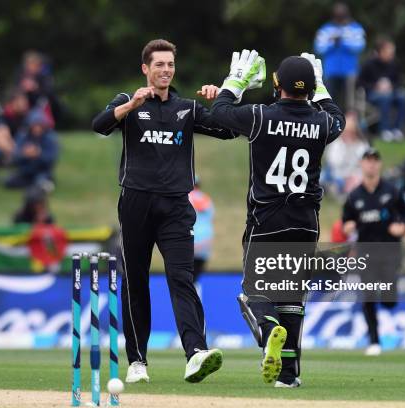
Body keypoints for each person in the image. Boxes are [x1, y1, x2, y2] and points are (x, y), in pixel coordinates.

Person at [91, 39, 236, 384]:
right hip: (135, 204)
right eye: (159, 64)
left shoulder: (186, 108)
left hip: (175, 206)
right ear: (146, 69)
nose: (166, 70)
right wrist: (129, 108)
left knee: (181, 278)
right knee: (135, 281)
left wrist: (223, 100)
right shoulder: (127, 101)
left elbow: (229, 131)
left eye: (170, 64)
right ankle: (138, 360)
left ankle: (195, 353)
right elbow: (99, 125)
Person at [208, 50, 345, 387]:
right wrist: (322, 86)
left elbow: (219, 112)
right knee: (292, 298)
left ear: (277, 85)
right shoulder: (322, 122)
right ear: (309, 88)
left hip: (268, 217)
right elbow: (337, 117)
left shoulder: (261, 116)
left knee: (253, 293)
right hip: (305, 220)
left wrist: (235, 80)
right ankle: (288, 375)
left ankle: (269, 331)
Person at [342, 148, 405, 356]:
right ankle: (374, 341)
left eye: (375, 160)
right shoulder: (355, 196)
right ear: (362, 164)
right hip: (366, 251)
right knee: (368, 295)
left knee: (389, 300)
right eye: (367, 160)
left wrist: (402, 226)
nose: (371, 164)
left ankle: (388, 301)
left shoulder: (392, 190)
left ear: (379, 164)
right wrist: (349, 226)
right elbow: (346, 221)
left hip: (390, 251)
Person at [314, 2, 365, 111]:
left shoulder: (355, 28)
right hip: (331, 71)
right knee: (329, 99)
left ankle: (348, 124)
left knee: (349, 102)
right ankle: (330, 120)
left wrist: (343, 42)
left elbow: (360, 46)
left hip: (349, 71)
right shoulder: (325, 29)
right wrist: (333, 44)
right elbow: (318, 48)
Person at [358, 37, 405, 141]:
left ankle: (397, 130)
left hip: (391, 92)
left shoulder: (394, 64)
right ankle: (385, 130)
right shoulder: (368, 64)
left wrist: (391, 86)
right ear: (380, 51)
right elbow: (360, 83)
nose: (391, 54)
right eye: (389, 51)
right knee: (385, 97)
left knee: (403, 96)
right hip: (372, 95)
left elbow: (399, 81)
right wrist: (376, 86)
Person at [5, 109, 58, 190]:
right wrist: (24, 154)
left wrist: (38, 154)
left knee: (40, 181)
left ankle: (41, 183)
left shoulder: (50, 138)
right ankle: (34, 184)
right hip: (26, 171)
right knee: (9, 182)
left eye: (39, 125)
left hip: (41, 171)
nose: (37, 128)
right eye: (34, 125)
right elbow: (15, 156)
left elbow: (51, 159)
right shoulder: (23, 136)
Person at [322, 111, 368, 198]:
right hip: (336, 175)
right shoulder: (336, 143)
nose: (347, 135)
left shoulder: (362, 146)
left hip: (353, 176)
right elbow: (333, 162)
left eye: (350, 132)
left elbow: (362, 166)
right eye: (345, 132)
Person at [0, 89, 31, 161]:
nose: (25, 104)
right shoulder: (5, 113)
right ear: (14, 102)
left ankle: (14, 155)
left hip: (20, 141)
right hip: (9, 142)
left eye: (25, 101)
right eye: (22, 102)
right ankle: (14, 154)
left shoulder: (27, 116)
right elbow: (3, 130)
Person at [16, 51, 60, 124]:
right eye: (30, 65)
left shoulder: (44, 77)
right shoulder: (21, 76)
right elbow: (14, 90)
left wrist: (35, 88)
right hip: (24, 106)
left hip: (39, 105)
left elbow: (50, 93)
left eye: (35, 65)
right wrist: (23, 88)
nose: (32, 67)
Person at [188, 177, 214, 280]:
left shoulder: (185, 197)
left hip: (188, 240)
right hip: (205, 242)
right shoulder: (207, 199)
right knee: (195, 278)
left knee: (185, 278)